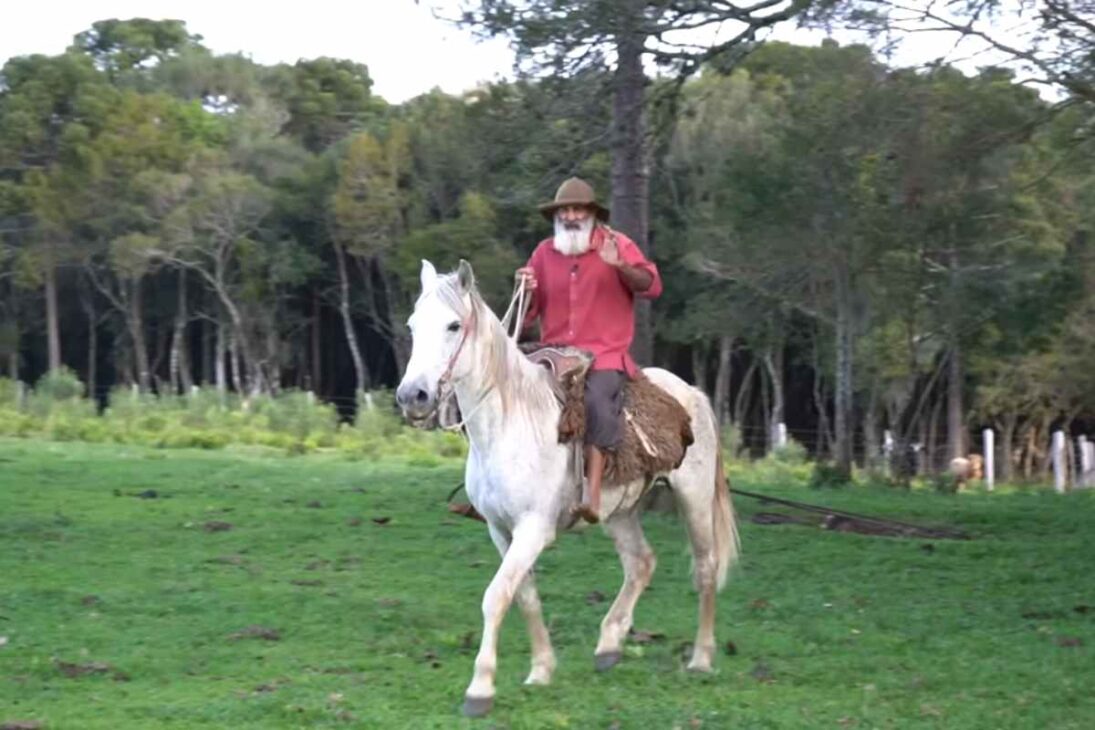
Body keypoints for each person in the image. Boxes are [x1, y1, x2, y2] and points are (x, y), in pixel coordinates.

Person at [517, 177, 662, 523]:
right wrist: (524, 289)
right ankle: (497, 489)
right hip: (552, 354)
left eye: (578, 209)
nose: (570, 215)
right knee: (502, 387)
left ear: (592, 214)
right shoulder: (543, 253)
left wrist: (620, 265)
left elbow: (652, 286)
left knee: (596, 402)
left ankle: (592, 495)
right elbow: (527, 316)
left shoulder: (618, 244)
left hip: (602, 355)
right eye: (564, 210)